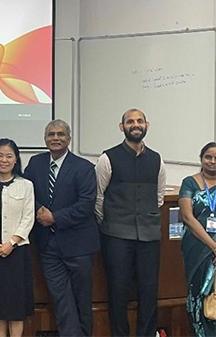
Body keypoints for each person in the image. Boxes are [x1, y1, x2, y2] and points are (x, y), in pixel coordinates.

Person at [95, 108, 166, 337]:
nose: (135, 125)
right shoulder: (108, 158)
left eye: (139, 121)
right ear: (121, 127)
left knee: (148, 292)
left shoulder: (156, 159)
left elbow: (159, 198)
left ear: (147, 125)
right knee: (118, 292)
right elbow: (98, 197)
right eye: (130, 121)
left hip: (149, 235)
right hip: (116, 236)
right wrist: (111, 223)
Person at [24, 120, 99, 337]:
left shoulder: (84, 167)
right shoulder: (35, 163)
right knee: (61, 300)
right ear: (45, 138)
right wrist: (39, 210)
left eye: (60, 134)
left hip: (79, 246)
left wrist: (54, 217)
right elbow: (27, 192)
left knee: (81, 299)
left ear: (69, 138)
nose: (55, 138)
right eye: (51, 134)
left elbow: (86, 204)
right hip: (48, 246)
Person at [0, 138, 34, 337]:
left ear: (16, 159)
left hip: (17, 253)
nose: (4, 160)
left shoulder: (26, 185)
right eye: (0, 155)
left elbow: (28, 218)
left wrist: (11, 243)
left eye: (9, 156)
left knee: (15, 304)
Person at [179, 142, 216, 336]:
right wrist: (213, 246)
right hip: (197, 247)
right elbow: (187, 217)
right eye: (208, 157)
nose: (212, 162)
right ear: (201, 159)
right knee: (199, 294)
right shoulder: (189, 182)